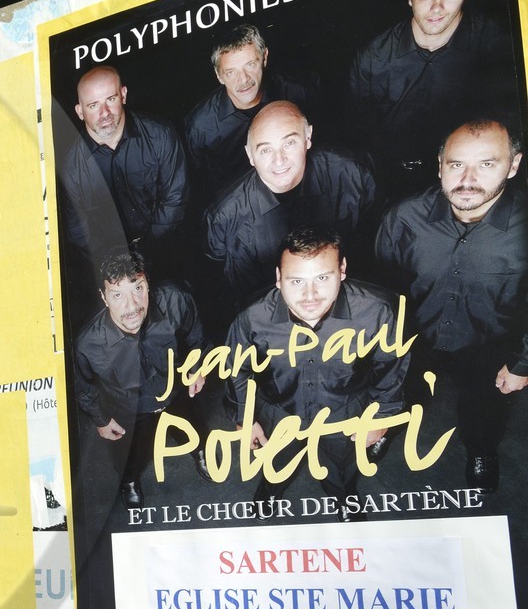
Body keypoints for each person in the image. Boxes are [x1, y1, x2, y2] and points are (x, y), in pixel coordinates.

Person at [375, 118, 527, 492]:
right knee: (401, 392)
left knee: (484, 409)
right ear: (440, 164)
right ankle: (386, 429)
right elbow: (379, 289)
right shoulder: (404, 218)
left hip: (488, 346)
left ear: (514, 165)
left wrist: (523, 363)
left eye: (486, 164)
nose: (467, 179)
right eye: (457, 164)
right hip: (415, 340)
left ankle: (481, 449)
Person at [224, 229, 407, 513]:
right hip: (279, 409)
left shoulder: (377, 311)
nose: (310, 295)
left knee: (343, 465)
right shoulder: (252, 316)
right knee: (276, 459)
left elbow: (391, 367)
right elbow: (237, 370)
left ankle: (342, 495)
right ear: (278, 277)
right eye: (296, 281)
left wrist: (381, 417)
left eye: (322, 278)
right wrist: (244, 419)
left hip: (344, 410)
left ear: (342, 270)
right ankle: (270, 489)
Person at [346, 0, 516, 197]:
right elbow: (360, 128)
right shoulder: (373, 56)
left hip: (466, 177)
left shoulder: (496, 44)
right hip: (390, 176)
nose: (437, 8)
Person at [71, 249, 207, 511]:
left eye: (138, 288)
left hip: (176, 392)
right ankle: (129, 481)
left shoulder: (176, 300)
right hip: (127, 409)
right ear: (104, 297)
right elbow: (84, 388)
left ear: (148, 284)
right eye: (117, 295)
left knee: (192, 429)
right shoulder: (87, 344)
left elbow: (195, 334)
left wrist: (197, 367)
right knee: (127, 456)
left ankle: (199, 451)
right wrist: (100, 419)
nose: (132, 306)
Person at [204, 100, 376, 302]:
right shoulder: (225, 215)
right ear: (250, 155)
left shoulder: (352, 175)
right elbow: (222, 283)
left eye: (289, 143)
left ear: (308, 137)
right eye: (266, 150)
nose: (279, 160)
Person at [58, 65, 189, 284]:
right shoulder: (70, 167)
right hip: (110, 266)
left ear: (124, 95)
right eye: (93, 105)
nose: (104, 113)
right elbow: (79, 231)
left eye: (110, 99)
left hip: (165, 247)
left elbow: (175, 200)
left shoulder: (160, 135)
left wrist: (146, 252)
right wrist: (120, 264)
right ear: (80, 112)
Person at [183, 24, 312, 195]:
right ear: (219, 75)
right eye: (231, 72)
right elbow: (199, 185)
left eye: (250, 64)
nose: (243, 79)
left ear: (264, 57)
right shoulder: (200, 125)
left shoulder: (297, 93)